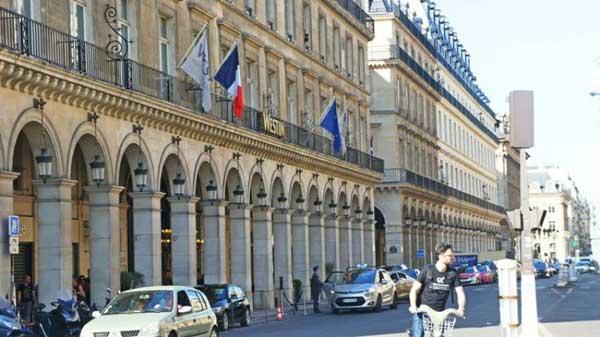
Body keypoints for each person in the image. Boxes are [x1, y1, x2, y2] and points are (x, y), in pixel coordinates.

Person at [408, 243, 466, 337]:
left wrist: (461, 309)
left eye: (453, 255)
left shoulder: (452, 273)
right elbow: (414, 290)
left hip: (439, 314)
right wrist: (413, 306)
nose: (453, 258)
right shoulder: (427, 270)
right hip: (422, 312)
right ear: (441, 256)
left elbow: (460, 293)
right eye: (450, 256)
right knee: (418, 334)